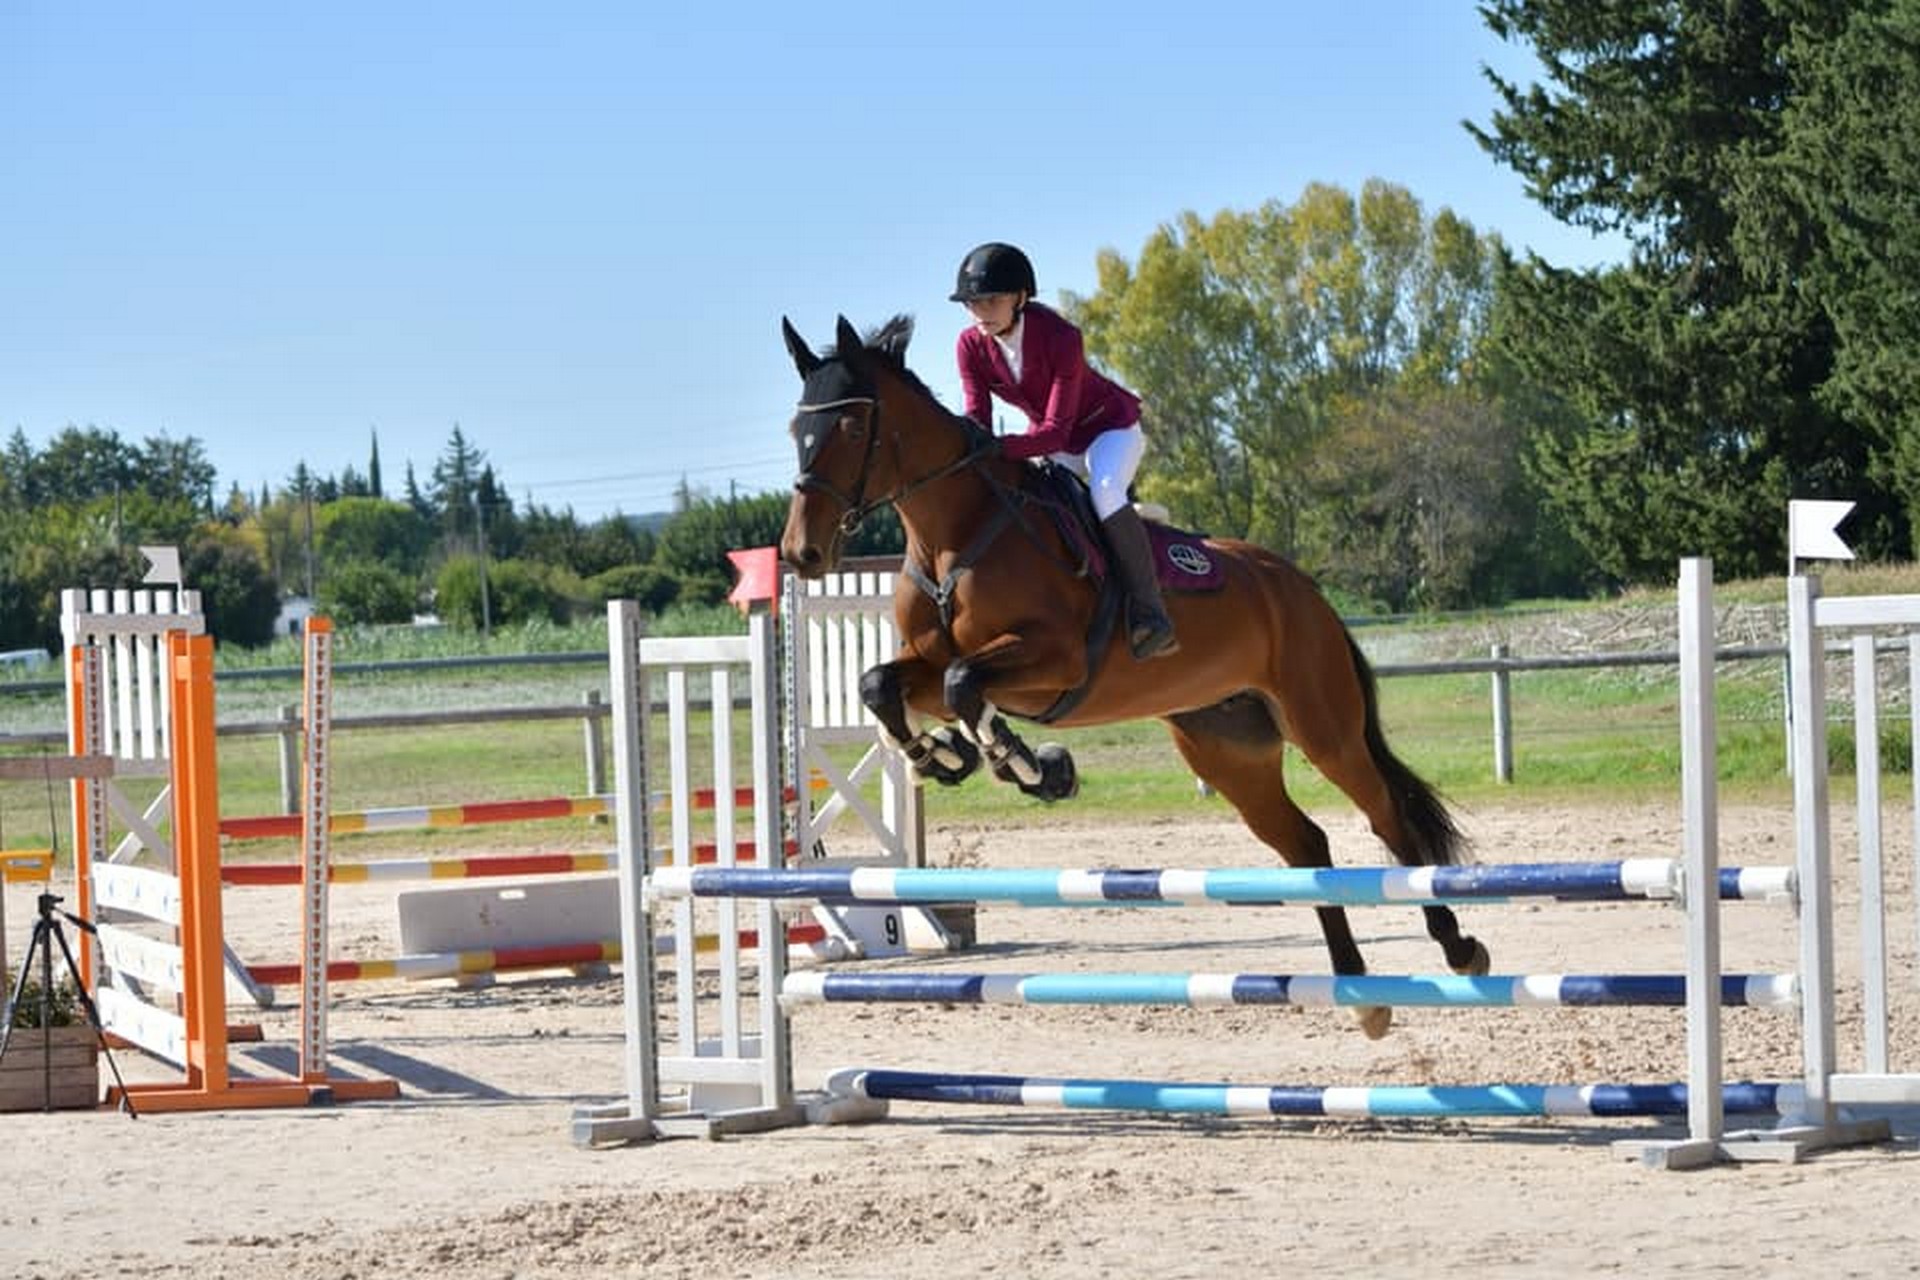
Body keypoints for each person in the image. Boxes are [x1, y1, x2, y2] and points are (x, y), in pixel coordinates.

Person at [949, 241, 1178, 660]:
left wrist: (997, 448)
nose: (980, 311)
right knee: (1031, 502)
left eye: (991, 300)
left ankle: (1150, 611)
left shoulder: (1061, 337)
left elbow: (1054, 433)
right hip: (1054, 438)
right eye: (971, 303)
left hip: (1108, 429)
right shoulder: (970, 346)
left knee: (1105, 492)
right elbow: (978, 417)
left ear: (1020, 297)